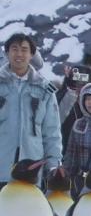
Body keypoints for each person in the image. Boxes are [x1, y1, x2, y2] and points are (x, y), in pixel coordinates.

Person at [0, 31, 61, 185]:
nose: (19, 54)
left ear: (32, 54)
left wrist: (54, 165)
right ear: (7, 53)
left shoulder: (44, 89)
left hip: (32, 168)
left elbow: (52, 132)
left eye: (24, 49)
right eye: (14, 49)